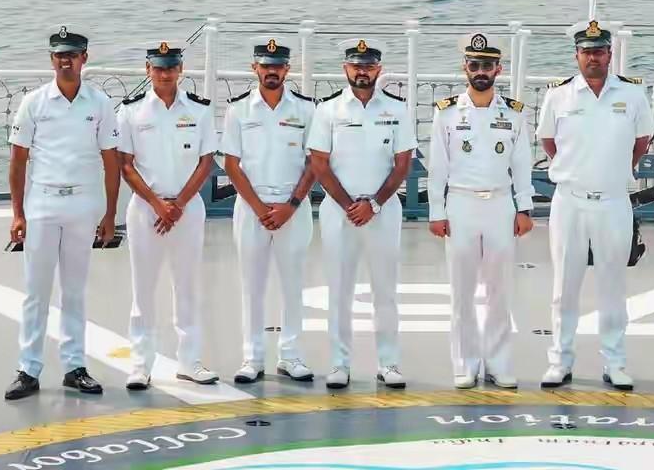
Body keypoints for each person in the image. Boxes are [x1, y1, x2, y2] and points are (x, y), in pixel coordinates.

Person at [536, 20, 654, 391]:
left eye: (600, 51)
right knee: (564, 287)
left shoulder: (632, 95)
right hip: (570, 202)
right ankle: (560, 361)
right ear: (577, 55)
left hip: (613, 202)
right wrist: (576, 169)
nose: (593, 58)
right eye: (587, 52)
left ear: (610, 54)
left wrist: (615, 170)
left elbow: (642, 141)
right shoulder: (558, 96)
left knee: (613, 286)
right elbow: (548, 142)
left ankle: (615, 363)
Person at [4, 26, 120, 400]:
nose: (65, 61)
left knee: (74, 290)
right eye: (59, 55)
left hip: (82, 205)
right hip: (42, 204)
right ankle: (28, 369)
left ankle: (74, 367)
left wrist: (109, 215)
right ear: (51, 59)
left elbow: (111, 162)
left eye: (72, 55)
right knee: (36, 291)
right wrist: (18, 214)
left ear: (84, 58)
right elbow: (18, 161)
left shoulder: (100, 104)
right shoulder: (34, 102)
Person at [426, 33, 535, 389]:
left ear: (498, 69)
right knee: (462, 291)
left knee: (499, 290)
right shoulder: (446, 113)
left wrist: (524, 207)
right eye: (474, 65)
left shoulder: (514, 113)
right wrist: (436, 211)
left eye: (487, 65)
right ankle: (465, 363)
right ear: (465, 68)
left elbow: (522, 163)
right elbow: (437, 166)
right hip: (461, 204)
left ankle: (498, 363)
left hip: (501, 204)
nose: (481, 71)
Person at [308, 38, 416, 390]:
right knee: (339, 291)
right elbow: (319, 164)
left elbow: (403, 164)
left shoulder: (397, 109)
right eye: (356, 66)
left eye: (368, 66)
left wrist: (374, 204)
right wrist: (349, 205)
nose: (362, 72)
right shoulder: (328, 110)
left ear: (378, 69)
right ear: (346, 69)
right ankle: (339, 364)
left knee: (385, 290)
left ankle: (389, 363)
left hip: (382, 211)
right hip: (339, 211)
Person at [117, 41, 219, 390]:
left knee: (187, 286)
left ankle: (189, 361)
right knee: (143, 289)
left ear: (181, 70)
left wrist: (178, 205)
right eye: (158, 68)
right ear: (147, 70)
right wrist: (159, 204)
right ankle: (140, 364)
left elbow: (206, 162)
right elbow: (126, 165)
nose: (165, 74)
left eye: (171, 67)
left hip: (187, 210)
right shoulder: (131, 112)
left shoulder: (200, 111)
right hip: (146, 209)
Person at [222, 38, 318, 384]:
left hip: (293, 208)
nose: (271, 72)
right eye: (265, 66)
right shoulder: (238, 110)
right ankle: (253, 357)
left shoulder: (306, 110)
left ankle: (290, 356)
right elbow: (231, 165)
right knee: (252, 285)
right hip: (253, 208)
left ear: (287, 69)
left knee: (293, 285)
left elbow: (315, 162)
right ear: (255, 69)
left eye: (277, 66)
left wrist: (290, 206)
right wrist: (260, 207)